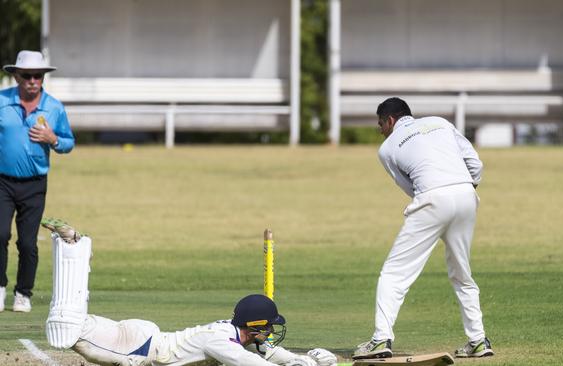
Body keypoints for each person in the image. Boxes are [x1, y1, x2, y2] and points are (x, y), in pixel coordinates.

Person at [41, 218, 338, 366]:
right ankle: (73, 247)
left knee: (71, 323)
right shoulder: (221, 342)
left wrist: (307, 358)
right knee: (66, 330)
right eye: (269, 325)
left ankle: (75, 247)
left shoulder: (238, 335)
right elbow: (256, 365)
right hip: (138, 349)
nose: (271, 330)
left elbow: (273, 354)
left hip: (146, 339)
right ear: (255, 326)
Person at [352, 98, 493, 360]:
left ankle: (381, 339)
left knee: (394, 274)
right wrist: (463, 188)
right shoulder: (440, 123)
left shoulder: (387, 149)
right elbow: (476, 164)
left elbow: (410, 188)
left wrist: (438, 195)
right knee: (462, 272)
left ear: (390, 120)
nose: (380, 130)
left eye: (381, 124)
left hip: (431, 199)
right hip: (465, 194)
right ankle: (478, 340)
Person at [0, 50, 75, 313]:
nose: (33, 80)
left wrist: (53, 139)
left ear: (43, 78)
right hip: (2, 182)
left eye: (38, 76)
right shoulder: (1, 101)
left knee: (28, 243)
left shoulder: (54, 107)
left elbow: (68, 143)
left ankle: (23, 293)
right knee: (0, 234)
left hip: (34, 184)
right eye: (27, 75)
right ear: (16, 76)